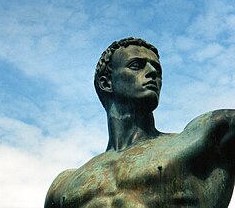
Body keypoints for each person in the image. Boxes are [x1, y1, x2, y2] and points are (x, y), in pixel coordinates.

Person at [44, 37, 235, 207]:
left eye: (157, 69)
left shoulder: (205, 138)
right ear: (106, 83)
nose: (152, 72)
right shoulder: (65, 185)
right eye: (137, 65)